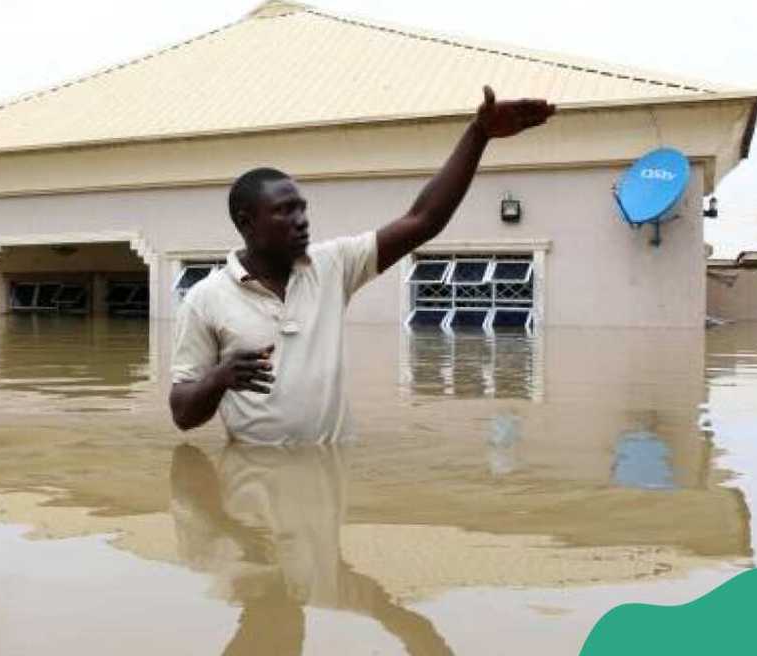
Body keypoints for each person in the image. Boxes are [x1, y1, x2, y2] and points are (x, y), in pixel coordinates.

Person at [169, 86, 554, 444]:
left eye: (303, 208)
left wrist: (478, 135)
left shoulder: (332, 265)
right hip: (251, 489)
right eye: (285, 211)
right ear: (246, 221)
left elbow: (424, 221)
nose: (302, 220)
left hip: (325, 487)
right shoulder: (205, 300)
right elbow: (183, 414)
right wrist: (219, 379)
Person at [169, 444, 454, 656]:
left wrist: (224, 523)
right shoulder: (329, 587)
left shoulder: (210, 560)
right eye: (288, 641)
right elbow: (415, 631)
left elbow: (185, 459)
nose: (285, 631)